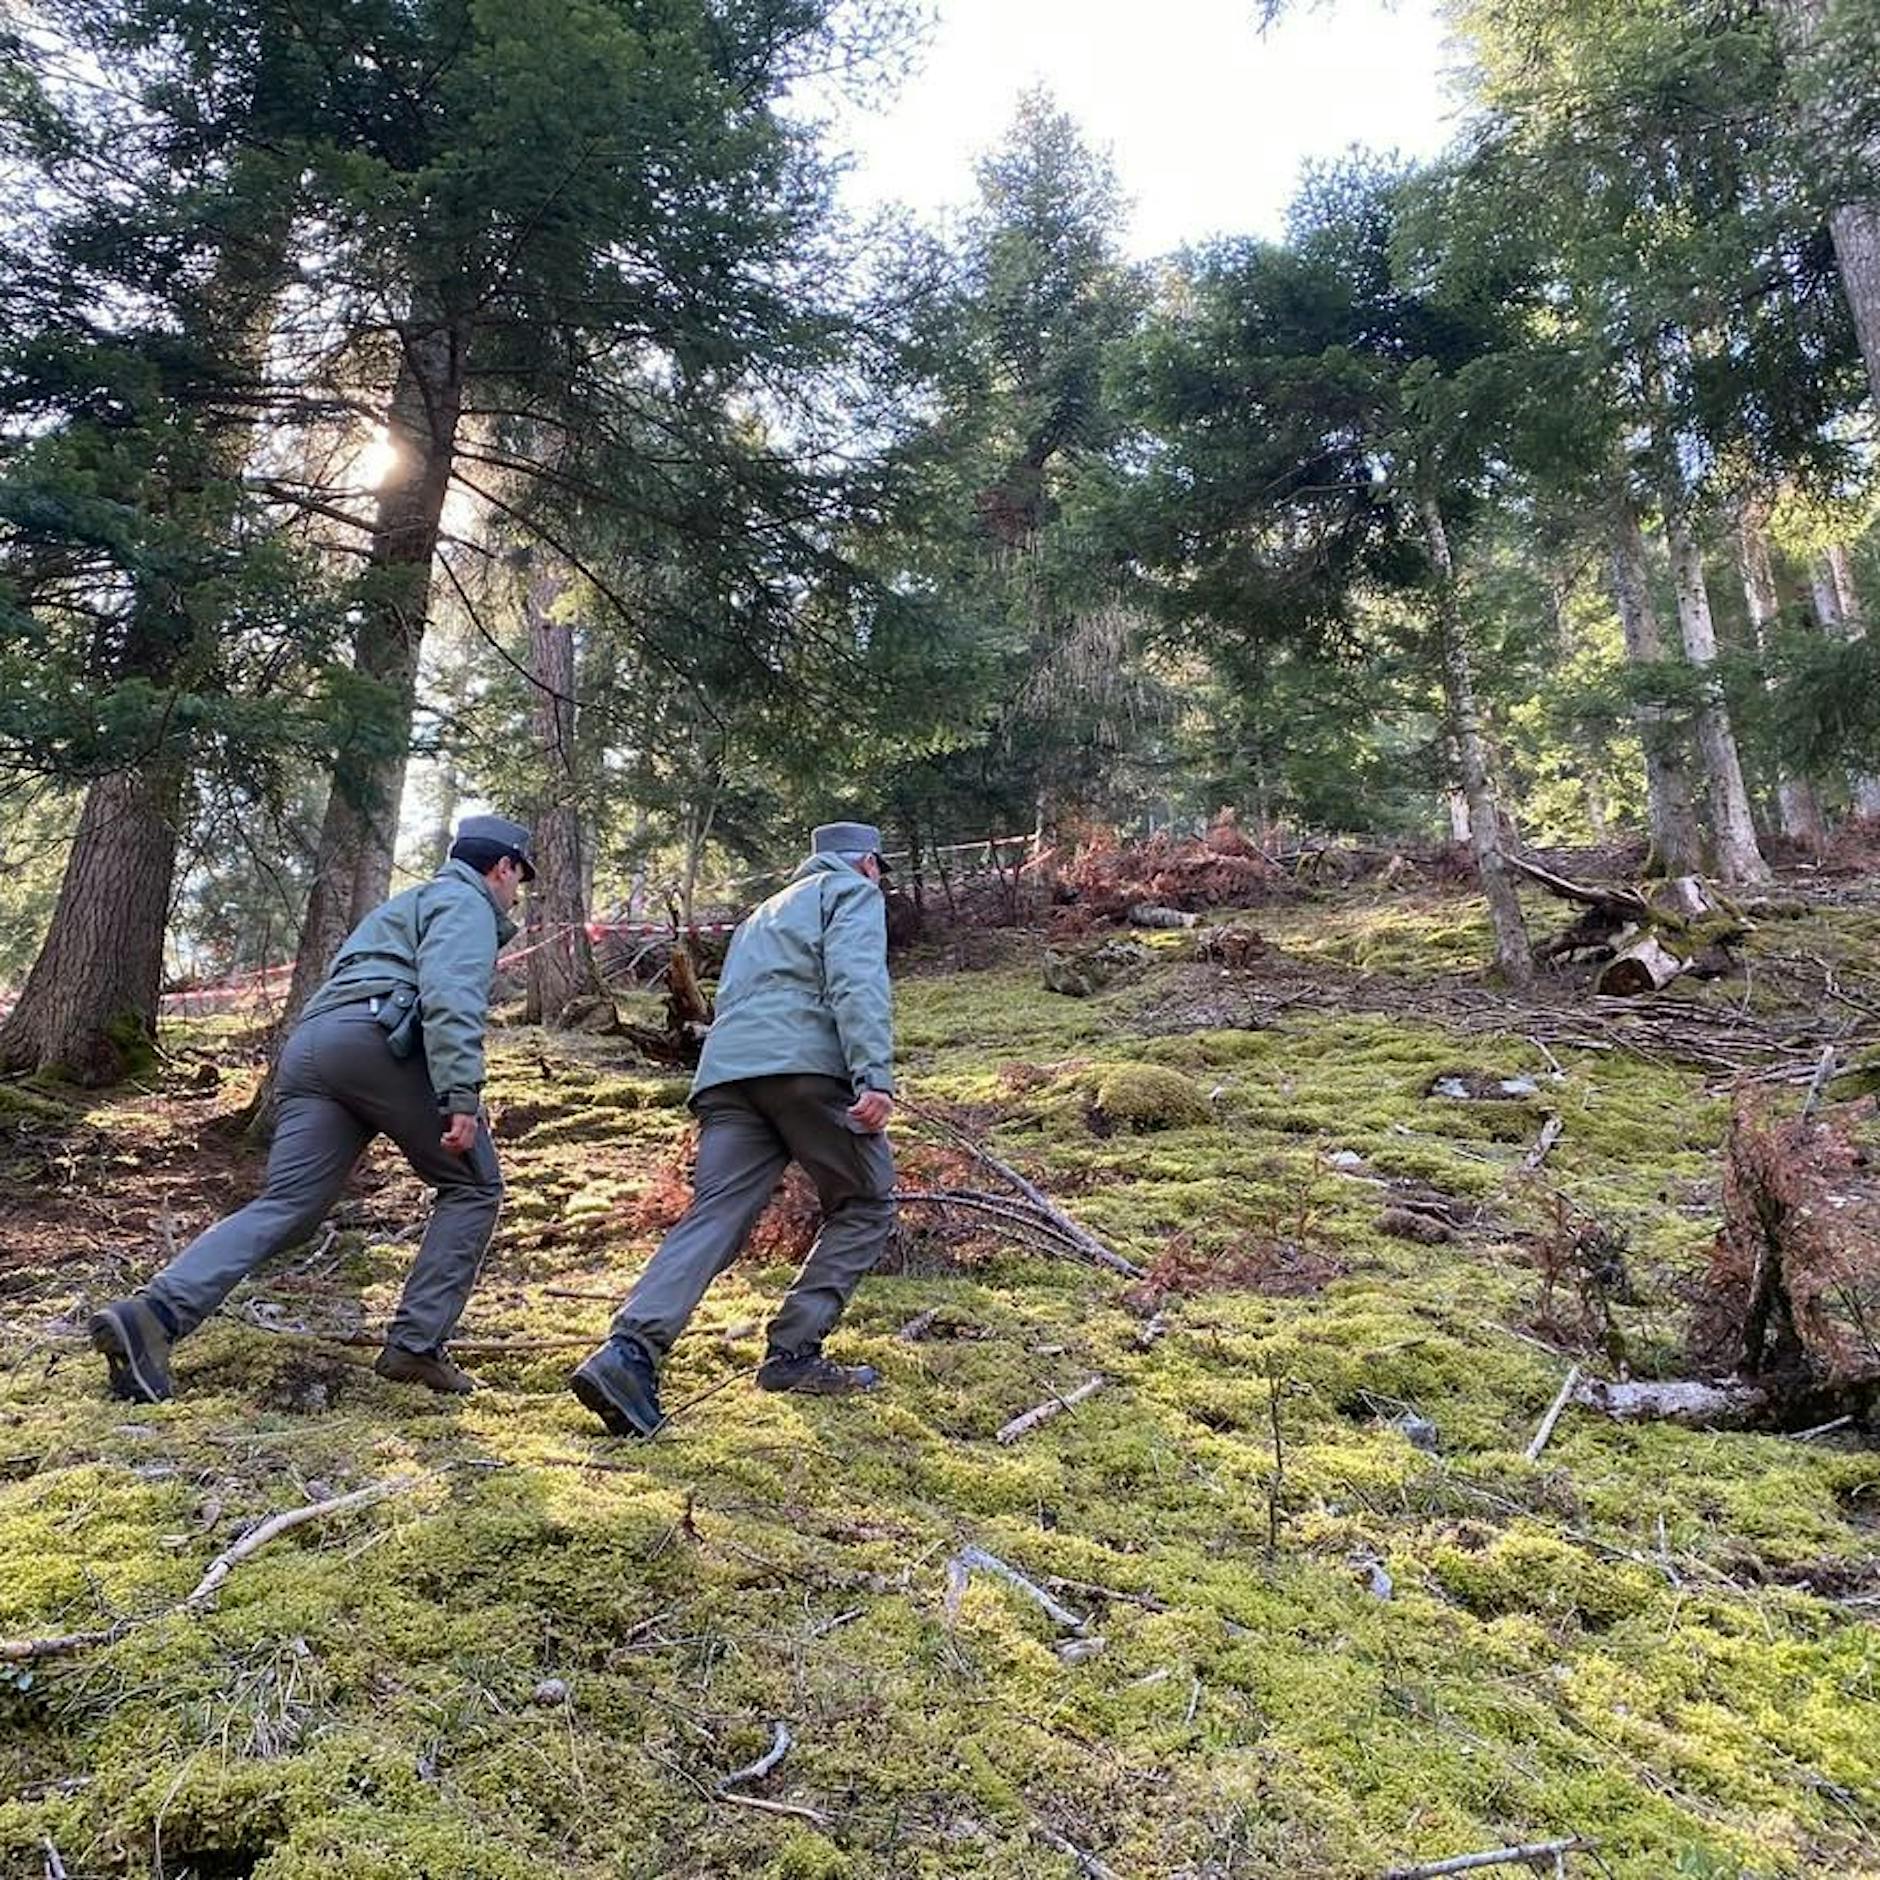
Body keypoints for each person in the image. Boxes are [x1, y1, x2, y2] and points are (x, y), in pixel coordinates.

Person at [88, 815, 534, 1403]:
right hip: (382, 1042)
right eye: (519, 880)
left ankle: (154, 1317)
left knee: (289, 1207)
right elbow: (450, 994)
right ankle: (415, 1347)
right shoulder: (466, 903)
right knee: (474, 1186)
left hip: (312, 1048)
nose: (515, 894)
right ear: (501, 867)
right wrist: (460, 1094)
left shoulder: (406, 905)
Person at [571, 820, 897, 1437]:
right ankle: (794, 1354)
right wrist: (873, 1075)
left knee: (715, 1215)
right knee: (867, 1201)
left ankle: (629, 1354)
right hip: (806, 1071)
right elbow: (858, 981)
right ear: (868, 864)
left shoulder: (761, 915)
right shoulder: (851, 894)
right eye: (878, 869)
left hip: (728, 1078)